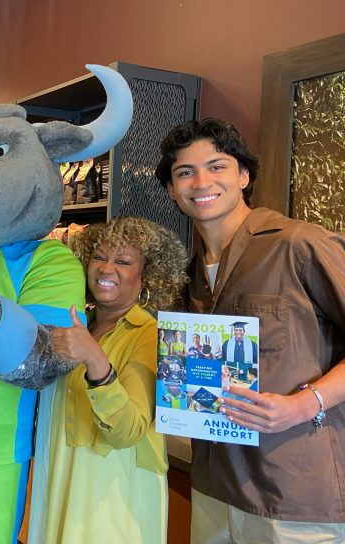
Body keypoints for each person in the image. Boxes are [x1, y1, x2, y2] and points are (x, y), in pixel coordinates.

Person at [156, 117, 345, 542]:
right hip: (214, 482)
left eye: (217, 166)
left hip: (293, 490)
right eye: (184, 172)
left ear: (243, 175)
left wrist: (304, 404)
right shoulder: (189, 273)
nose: (201, 181)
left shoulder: (298, 244)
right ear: (171, 190)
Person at [28, 217, 189, 544]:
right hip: (61, 474)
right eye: (99, 257)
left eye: (124, 261)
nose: (106, 269)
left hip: (114, 494)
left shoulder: (151, 337)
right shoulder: (77, 324)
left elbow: (127, 430)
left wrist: (95, 359)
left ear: (147, 277)